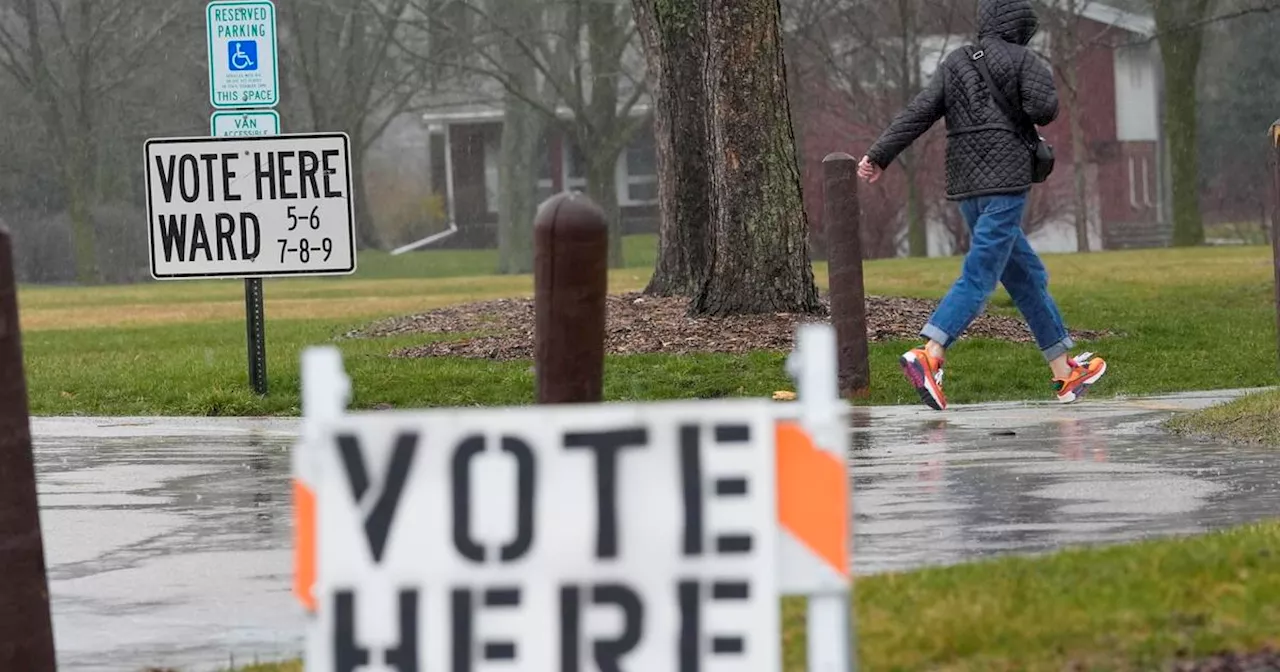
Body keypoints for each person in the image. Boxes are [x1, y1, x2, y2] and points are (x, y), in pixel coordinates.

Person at [856, 0, 1106, 411]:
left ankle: (1065, 371)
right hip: (1005, 183)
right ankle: (930, 353)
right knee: (980, 276)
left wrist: (879, 154)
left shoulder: (956, 62)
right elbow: (1044, 110)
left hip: (966, 187)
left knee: (1027, 277)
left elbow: (921, 111)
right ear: (1022, 29)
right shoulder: (1026, 60)